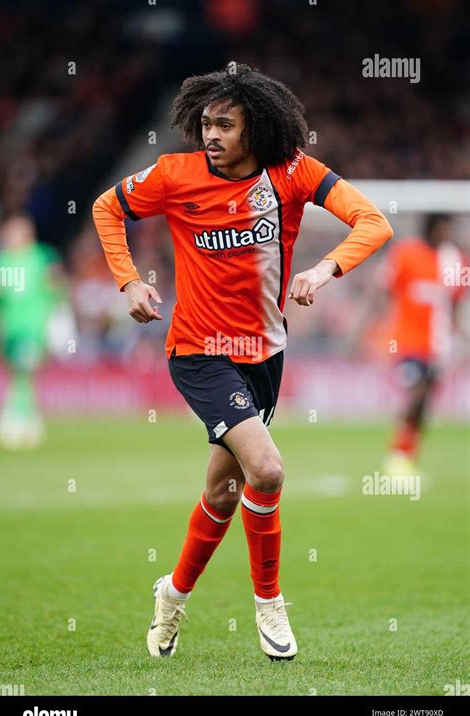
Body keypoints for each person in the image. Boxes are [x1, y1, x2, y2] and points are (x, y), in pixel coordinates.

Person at [92, 63, 393, 660]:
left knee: (225, 491)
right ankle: (270, 604)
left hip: (265, 356)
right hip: (198, 352)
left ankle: (172, 596)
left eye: (224, 125)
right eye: (205, 123)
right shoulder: (175, 176)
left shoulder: (293, 173)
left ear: (254, 130)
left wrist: (324, 268)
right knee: (269, 470)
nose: (211, 135)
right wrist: (127, 282)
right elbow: (107, 207)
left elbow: (373, 222)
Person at [375, 214, 466, 474]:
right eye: (445, 228)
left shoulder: (454, 260)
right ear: (432, 228)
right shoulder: (405, 254)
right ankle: (396, 457)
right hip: (407, 342)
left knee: (425, 403)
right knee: (417, 392)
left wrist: (461, 337)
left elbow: (456, 305)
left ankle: (405, 455)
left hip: (440, 345)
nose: (448, 234)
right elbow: (384, 289)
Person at [0, 213, 64, 449]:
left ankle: (15, 418)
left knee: (25, 371)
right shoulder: (3, 261)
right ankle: (28, 417)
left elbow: (55, 286)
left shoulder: (41, 256)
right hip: (10, 327)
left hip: (34, 326)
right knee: (19, 373)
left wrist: (55, 316)